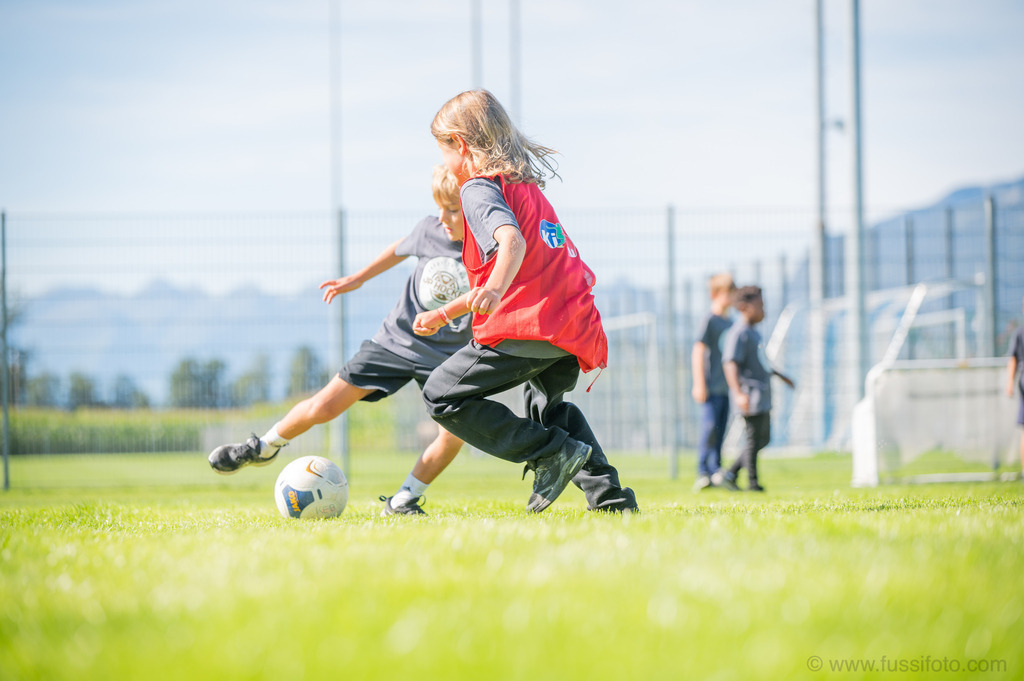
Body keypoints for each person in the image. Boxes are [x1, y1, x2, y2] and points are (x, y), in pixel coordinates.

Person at [413, 89, 638, 513]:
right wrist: (446, 313)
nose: (445, 163)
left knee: (441, 395)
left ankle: (549, 454)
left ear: (460, 145)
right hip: (573, 326)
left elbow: (510, 244)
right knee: (549, 411)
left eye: (443, 150)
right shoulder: (525, 188)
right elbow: (527, 266)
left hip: (530, 325)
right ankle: (612, 501)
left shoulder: (477, 189)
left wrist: (494, 291)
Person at [208, 165, 473, 516]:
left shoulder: (491, 248)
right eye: (439, 207)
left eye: (452, 210)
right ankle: (262, 447)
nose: (442, 218)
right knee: (324, 407)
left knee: (454, 434)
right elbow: (400, 248)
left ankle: (403, 500)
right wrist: (359, 277)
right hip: (396, 342)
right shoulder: (429, 229)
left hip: (446, 357)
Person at [712, 286, 794, 492]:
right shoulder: (738, 333)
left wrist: (782, 376)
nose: (764, 310)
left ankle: (730, 473)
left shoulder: (753, 333)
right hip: (750, 395)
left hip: (762, 395)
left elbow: (763, 363)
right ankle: (752, 482)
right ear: (744, 307)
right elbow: (730, 363)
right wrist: (738, 393)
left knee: (762, 439)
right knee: (753, 439)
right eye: (760, 306)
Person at [691, 272, 736, 491]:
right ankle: (703, 471)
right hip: (710, 387)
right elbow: (699, 350)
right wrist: (699, 383)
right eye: (729, 293)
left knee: (721, 428)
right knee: (709, 428)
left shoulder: (732, 322)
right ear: (715, 294)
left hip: (725, 387)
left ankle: (716, 469)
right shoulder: (710, 320)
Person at [1006, 296, 1024, 479]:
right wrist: (1010, 382)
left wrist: (1010, 382)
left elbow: (1013, 360)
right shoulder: (1020, 333)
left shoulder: (1019, 332)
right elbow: (1013, 359)